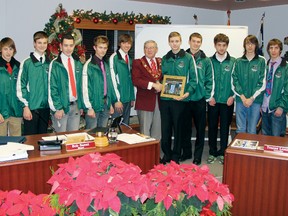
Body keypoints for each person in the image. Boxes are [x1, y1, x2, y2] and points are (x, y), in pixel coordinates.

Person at [160, 31, 197, 164]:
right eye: (172, 41)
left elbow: (194, 79)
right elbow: (162, 77)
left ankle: (176, 155)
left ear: (180, 42)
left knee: (179, 129)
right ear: (169, 42)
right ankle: (166, 154)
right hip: (165, 100)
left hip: (180, 101)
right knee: (165, 129)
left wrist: (187, 93)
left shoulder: (188, 58)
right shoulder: (165, 58)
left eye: (177, 41)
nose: (174, 44)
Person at [181, 32, 213, 165]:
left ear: (201, 43)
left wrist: (205, 96)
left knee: (200, 129)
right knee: (185, 128)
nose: (196, 44)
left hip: (199, 99)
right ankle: (187, 152)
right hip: (185, 99)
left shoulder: (206, 60)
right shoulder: (183, 57)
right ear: (189, 42)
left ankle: (198, 155)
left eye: (198, 42)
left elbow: (210, 80)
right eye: (193, 41)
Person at [207, 33, 236, 165]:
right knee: (212, 127)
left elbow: (236, 81)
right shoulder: (209, 61)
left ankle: (223, 152)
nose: (221, 48)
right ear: (215, 45)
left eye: (224, 45)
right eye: (219, 45)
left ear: (227, 46)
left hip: (227, 101)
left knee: (225, 128)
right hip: (213, 101)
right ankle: (212, 152)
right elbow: (205, 80)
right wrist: (209, 97)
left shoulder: (234, 61)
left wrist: (233, 96)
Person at [17, 31, 50, 135]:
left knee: (42, 140)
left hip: (45, 108)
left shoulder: (50, 63)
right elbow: (20, 85)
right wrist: (25, 107)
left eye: (45, 43)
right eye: (39, 43)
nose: (42, 45)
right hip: (31, 108)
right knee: (30, 140)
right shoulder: (27, 63)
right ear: (34, 44)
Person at [48, 33, 83, 132]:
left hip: (75, 106)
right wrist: (57, 108)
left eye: (71, 45)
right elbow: (52, 88)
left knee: (73, 138)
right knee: (61, 139)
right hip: (61, 108)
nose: (68, 48)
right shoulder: (55, 64)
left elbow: (80, 86)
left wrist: (80, 105)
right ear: (60, 46)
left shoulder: (77, 63)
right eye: (66, 45)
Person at [232, 35, 266, 134]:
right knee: (240, 129)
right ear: (244, 45)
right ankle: (240, 150)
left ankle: (250, 150)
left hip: (255, 101)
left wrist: (251, 98)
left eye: (252, 44)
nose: (250, 46)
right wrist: (242, 97)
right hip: (240, 100)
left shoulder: (261, 61)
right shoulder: (238, 61)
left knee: (252, 130)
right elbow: (234, 80)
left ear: (256, 45)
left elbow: (262, 82)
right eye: (247, 43)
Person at [82, 35, 116, 129]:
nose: (103, 50)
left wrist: (110, 104)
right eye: (100, 47)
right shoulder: (88, 65)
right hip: (94, 105)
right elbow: (85, 88)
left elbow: (108, 86)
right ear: (94, 48)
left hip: (105, 104)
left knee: (102, 134)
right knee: (91, 135)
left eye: (105, 48)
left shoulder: (105, 64)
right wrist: (89, 108)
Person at [132, 40, 162, 140]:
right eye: (147, 47)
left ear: (156, 49)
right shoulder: (138, 62)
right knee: (145, 132)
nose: (149, 50)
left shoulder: (161, 61)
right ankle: (147, 155)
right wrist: (153, 85)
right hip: (145, 101)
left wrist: (162, 85)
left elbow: (165, 77)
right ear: (144, 50)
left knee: (157, 131)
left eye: (152, 47)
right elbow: (136, 80)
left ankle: (155, 155)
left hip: (159, 101)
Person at [261, 38, 288, 136]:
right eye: (271, 48)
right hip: (264, 108)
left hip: (277, 108)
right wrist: (260, 104)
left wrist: (281, 107)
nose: (273, 50)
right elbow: (261, 86)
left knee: (276, 141)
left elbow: (287, 90)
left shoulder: (285, 67)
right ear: (268, 50)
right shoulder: (265, 66)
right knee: (265, 138)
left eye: (276, 48)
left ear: (280, 50)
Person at [110, 34, 135, 125]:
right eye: (124, 43)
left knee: (125, 127)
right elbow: (112, 80)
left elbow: (130, 79)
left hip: (127, 99)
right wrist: (117, 100)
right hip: (119, 100)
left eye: (129, 43)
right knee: (116, 128)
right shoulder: (114, 58)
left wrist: (132, 97)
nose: (127, 45)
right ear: (120, 44)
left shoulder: (128, 58)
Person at [0, 37, 22, 136]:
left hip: (16, 111)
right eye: (5, 49)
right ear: (0, 50)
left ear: (14, 50)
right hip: (1, 112)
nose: (8, 52)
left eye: (10, 49)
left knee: (17, 143)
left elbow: (23, 89)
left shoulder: (19, 66)